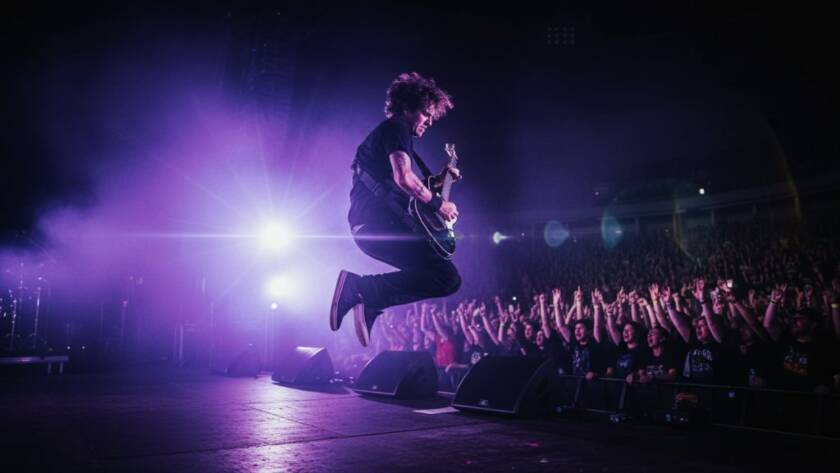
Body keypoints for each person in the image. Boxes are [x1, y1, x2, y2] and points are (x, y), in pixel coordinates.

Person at [330, 72, 461, 347]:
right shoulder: (396, 129)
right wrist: (440, 204)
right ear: (407, 107)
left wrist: (436, 181)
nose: (429, 121)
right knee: (446, 276)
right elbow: (404, 179)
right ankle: (360, 289)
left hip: (372, 227)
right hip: (377, 225)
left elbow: (397, 185)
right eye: (426, 113)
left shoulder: (392, 134)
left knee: (443, 276)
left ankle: (371, 301)